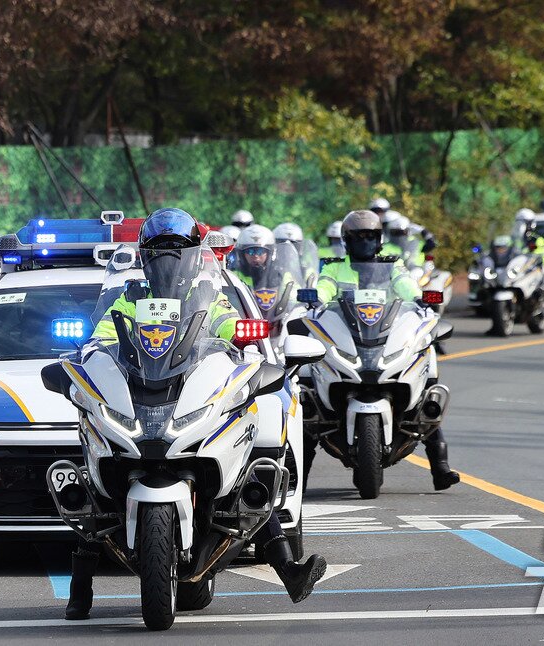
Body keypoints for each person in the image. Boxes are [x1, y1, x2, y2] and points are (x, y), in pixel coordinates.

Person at [73, 208, 327, 620]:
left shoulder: (208, 295)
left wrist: (243, 335)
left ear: (193, 253)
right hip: (139, 394)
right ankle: (79, 590)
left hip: (189, 394)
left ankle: (290, 571)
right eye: (159, 250)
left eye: (177, 249)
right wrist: (90, 353)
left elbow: (229, 328)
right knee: (93, 484)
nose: (168, 258)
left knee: (252, 473)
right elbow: (101, 335)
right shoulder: (129, 295)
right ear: (144, 255)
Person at [310, 210, 460, 490]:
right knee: (309, 401)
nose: (365, 242)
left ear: (379, 239)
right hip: (349, 334)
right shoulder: (333, 267)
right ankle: (297, 477)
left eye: (370, 236)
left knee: (426, 388)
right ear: (347, 240)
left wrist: (417, 297)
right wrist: (316, 298)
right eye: (358, 237)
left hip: (385, 334)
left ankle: (440, 468)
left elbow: (406, 287)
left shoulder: (393, 266)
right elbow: (324, 288)